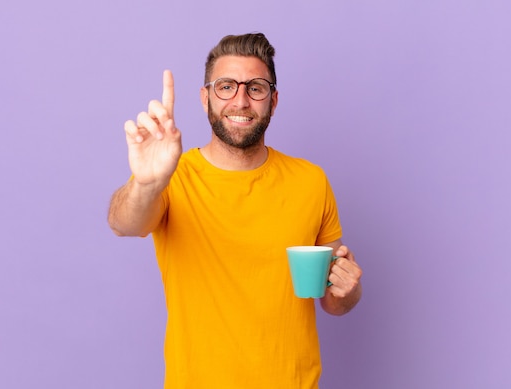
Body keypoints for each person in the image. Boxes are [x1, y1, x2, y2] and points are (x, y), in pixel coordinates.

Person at [108, 32, 362, 389]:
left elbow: (333, 299)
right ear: (205, 97)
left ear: (273, 101)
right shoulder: (174, 178)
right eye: (226, 86)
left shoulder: (311, 181)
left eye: (255, 88)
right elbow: (124, 223)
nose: (241, 101)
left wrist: (348, 290)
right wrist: (147, 183)